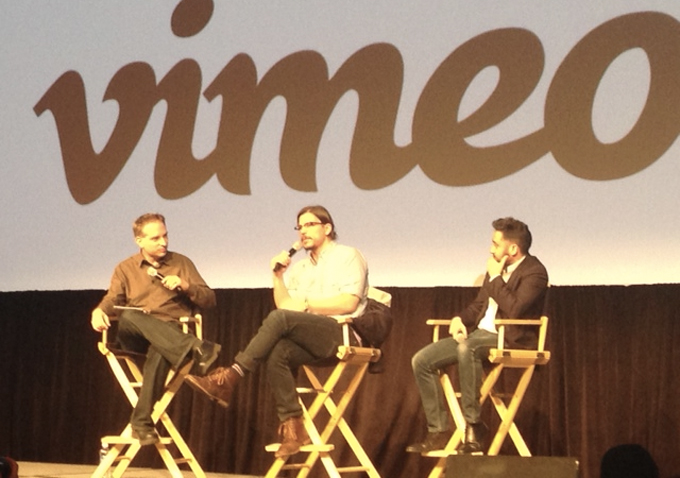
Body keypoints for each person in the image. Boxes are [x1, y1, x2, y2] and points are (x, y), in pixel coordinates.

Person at [186, 205, 369, 459]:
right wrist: (278, 277)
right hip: (311, 336)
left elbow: (348, 302)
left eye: (310, 225)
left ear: (327, 228)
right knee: (278, 351)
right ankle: (294, 429)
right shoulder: (301, 268)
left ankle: (231, 376)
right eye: (299, 227)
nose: (303, 231)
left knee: (280, 320)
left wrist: (306, 304)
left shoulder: (348, 256)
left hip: (343, 331)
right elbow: (284, 307)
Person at [407, 217, 548, 454]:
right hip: (480, 335)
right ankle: (438, 431)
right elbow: (479, 305)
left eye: (496, 244)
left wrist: (496, 278)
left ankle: (473, 425)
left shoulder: (535, 272)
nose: (491, 249)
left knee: (468, 349)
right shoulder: (494, 270)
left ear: (513, 249)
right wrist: (460, 319)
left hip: (510, 339)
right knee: (422, 360)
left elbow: (514, 310)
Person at [90, 213, 219, 446]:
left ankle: (141, 422)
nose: (163, 242)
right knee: (129, 314)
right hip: (135, 334)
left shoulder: (181, 263)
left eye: (165, 236)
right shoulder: (125, 268)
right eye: (155, 238)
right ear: (139, 241)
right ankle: (196, 348)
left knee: (161, 347)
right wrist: (99, 311)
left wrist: (185, 285)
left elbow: (209, 299)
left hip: (169, 334)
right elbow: (112, 300)